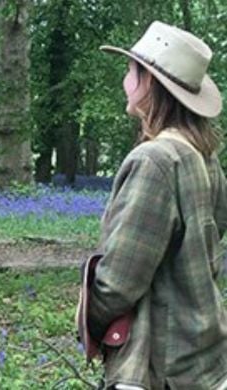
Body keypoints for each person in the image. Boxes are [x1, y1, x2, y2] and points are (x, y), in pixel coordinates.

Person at [85, 21, 227, 389]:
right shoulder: (204, 157)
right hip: (204, 360)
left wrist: (89, 320)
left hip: (157, 367)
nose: (125, 80)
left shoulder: (156, 161)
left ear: (150, 82)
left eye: (131, 70)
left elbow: (118, 283)